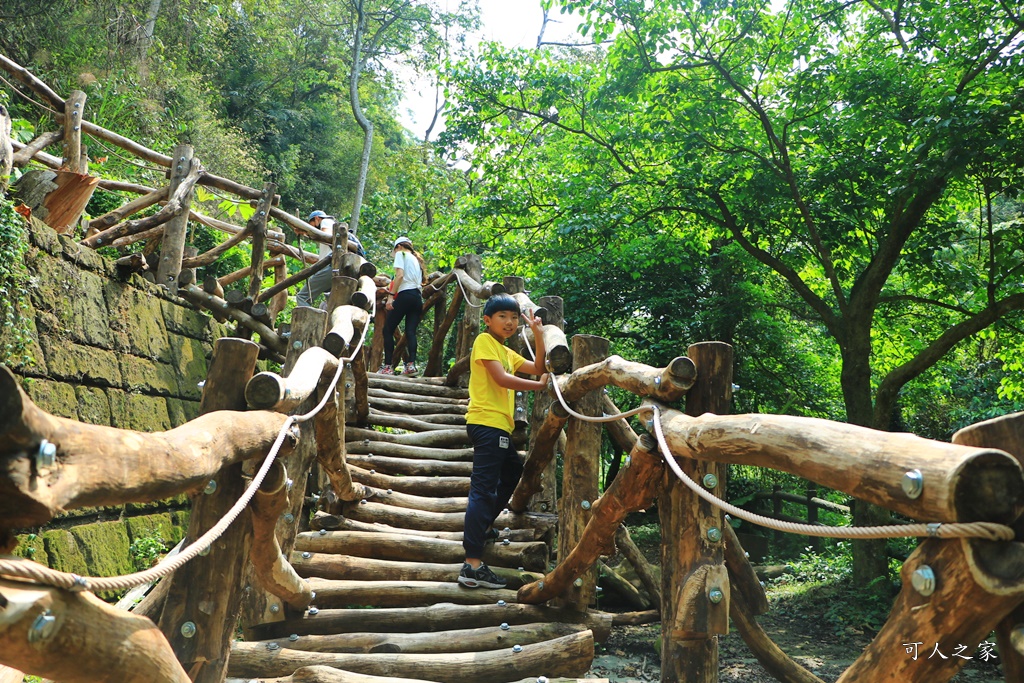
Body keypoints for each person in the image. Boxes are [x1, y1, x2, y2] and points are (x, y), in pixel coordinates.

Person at [458, 294, 548, 589]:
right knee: (482, 489)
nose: (509, 323)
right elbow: (500, 379)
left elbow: (538, 366)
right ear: (487, 320)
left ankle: (483, 526)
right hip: (487, 423)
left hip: (498, 427)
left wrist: (537, 333)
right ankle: (471, 565)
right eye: (502, 317)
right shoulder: (484, 342)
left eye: (513, 317)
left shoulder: (506, 351)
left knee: (512, 473)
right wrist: (538, 386)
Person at [379, 236, 427, 375]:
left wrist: (391, 297)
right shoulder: (415, 259)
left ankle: (388, 367)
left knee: (387, 330)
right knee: (410, 331)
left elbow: (399, 276)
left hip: (405, 295)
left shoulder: (401, 253)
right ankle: (411, 365)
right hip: (417, 297)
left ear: (398, 246)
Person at [295, 210, 334, 308]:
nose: (312, 228)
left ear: (317, 218)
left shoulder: (326, 221)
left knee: (302, 296)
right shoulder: (332, 225)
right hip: (337, 267)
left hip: (331, 267)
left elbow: (325, 236)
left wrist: (306, 232)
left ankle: (309, 322)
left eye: (311, 225)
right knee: (328, 303)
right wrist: (303, 232)